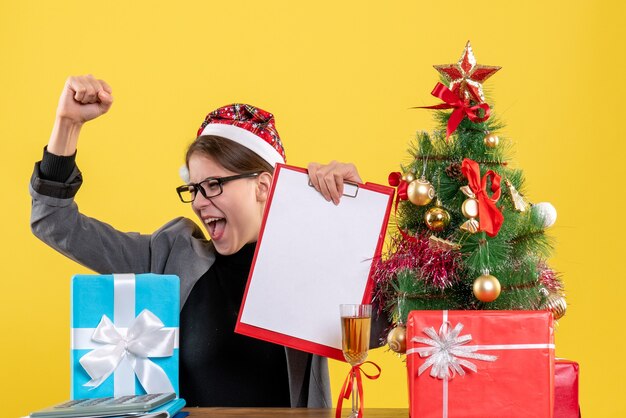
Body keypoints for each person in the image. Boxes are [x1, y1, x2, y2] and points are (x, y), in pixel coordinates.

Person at [29, 75, 380, 408]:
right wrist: (67, 124)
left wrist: (350, 216)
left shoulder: (310, 263)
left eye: (213, 185)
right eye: (194, 188)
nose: (199, 202)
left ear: (262, 186)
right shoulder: (167, 256)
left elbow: (392, 324)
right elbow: (53, 221)